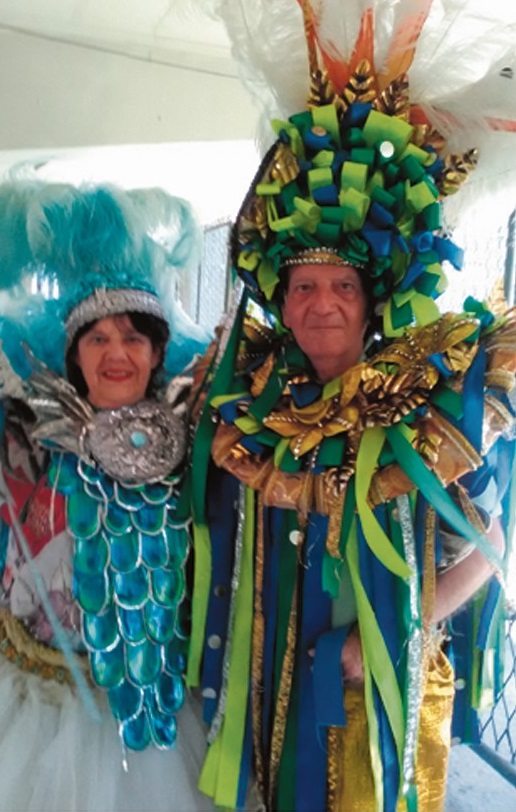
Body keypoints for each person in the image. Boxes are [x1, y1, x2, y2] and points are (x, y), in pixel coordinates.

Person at [185, 1, 516, 810]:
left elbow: (490, 548)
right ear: (282, 299)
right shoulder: (248, 401)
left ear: (372, 302)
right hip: (263, 690)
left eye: (342, 285)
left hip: (376, 703)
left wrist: (395, 635)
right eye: (304, 286)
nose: (322, 303)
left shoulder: (431, 407)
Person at [0, 180, 216, 811]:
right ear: (75, 354)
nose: (116, 354)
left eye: (133, 338)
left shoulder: (195, 441)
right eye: (97, 339)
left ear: (157, 352)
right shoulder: (22, 434)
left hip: (152, 706)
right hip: (39, 709)